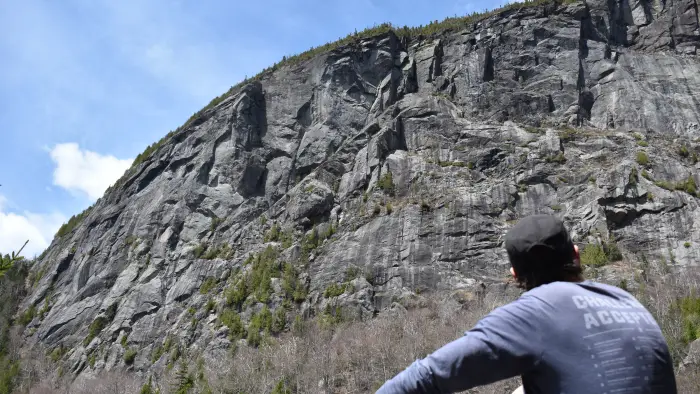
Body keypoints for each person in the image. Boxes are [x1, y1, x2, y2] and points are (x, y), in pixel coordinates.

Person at [376, 214, 677, 394]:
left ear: (515, 275)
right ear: (576, 253)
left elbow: (426, 376)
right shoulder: (628, 301)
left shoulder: (535, 314)